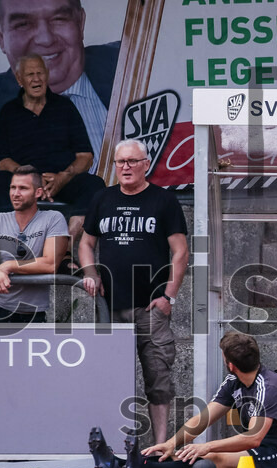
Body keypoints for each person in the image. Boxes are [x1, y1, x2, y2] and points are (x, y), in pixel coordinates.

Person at [79, 139, 188, 444]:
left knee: (158, 378)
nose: (125, 167)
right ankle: (112, 443)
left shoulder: (163, 201)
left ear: (145, 164)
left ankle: (160, 445)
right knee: (110, 377)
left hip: (151, 308)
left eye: (131, 161)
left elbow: (180, 252)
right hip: (110, 306)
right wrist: (91, 273)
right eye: (120, 162)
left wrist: (169, 297)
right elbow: (86, 244)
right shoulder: (102, 199)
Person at [88, 332, 277, 468]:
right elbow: (203, 419)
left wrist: (207, 446)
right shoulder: (234, 382)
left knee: (211, 458)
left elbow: (253, 438)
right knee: (186, 454)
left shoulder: (270, 386)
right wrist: (172, 443)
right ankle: (116, 464)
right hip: (254, 448)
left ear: (230, 364)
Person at [0, 0, 118, 170]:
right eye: (23, 24)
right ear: (0, 35)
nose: (46, 39)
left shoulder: (136, 60)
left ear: (80, 22)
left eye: (59, 19)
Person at [0, 54, 105, 245]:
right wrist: (32, 178)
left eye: (40, 73)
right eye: (30, 74)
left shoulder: (65, 107)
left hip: (61, 180)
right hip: (26, 181)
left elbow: (85, 156)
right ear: (19, 79)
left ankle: (64, 248)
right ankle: (19, 243)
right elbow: (3, 161)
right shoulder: (9, 111)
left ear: (47, 75)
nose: (36, 79)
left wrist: (63, 177)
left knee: (95, 185)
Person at [0, 165, 68, 323]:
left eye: (23, 188)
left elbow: (50, 264)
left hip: (33, 314)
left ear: (38, 192)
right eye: (12, 188)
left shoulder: (53, 218)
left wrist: (9, 265)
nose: (15, 194)